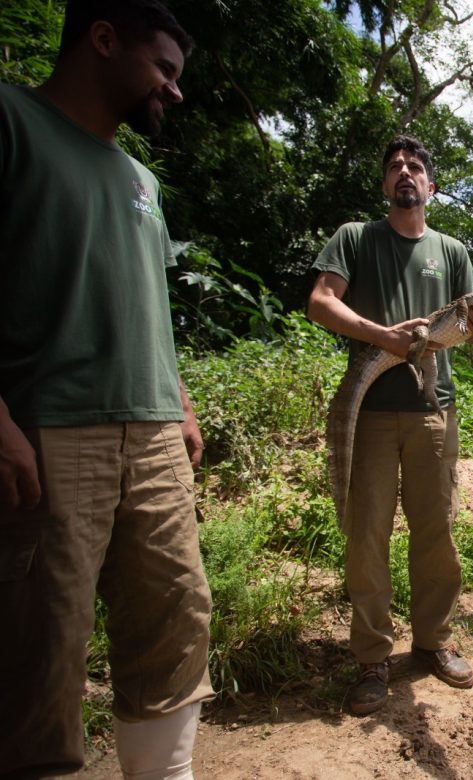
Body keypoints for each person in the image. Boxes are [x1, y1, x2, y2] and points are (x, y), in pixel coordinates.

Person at [0, 2, 214, 777]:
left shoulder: (143, 181)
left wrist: (181, 405)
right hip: (49, 433)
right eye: (164, 69)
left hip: (155, 435)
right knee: (40, 652)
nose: (175, 91)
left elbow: (148, 304)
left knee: (175, 623)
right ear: (101, 41)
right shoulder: (12, 119)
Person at [306, 135, 473, 715]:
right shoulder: (356, 238)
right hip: (370, 413)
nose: (405, 173)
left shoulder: (453, 250)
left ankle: (433, 642)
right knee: (367, 533)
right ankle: (371, 659)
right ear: (385, 185)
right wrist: (384, 336)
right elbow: (320, 302)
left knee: (435, 530)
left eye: (415, 166)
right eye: (395, 167)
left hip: (434, 409)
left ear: (431, 187)